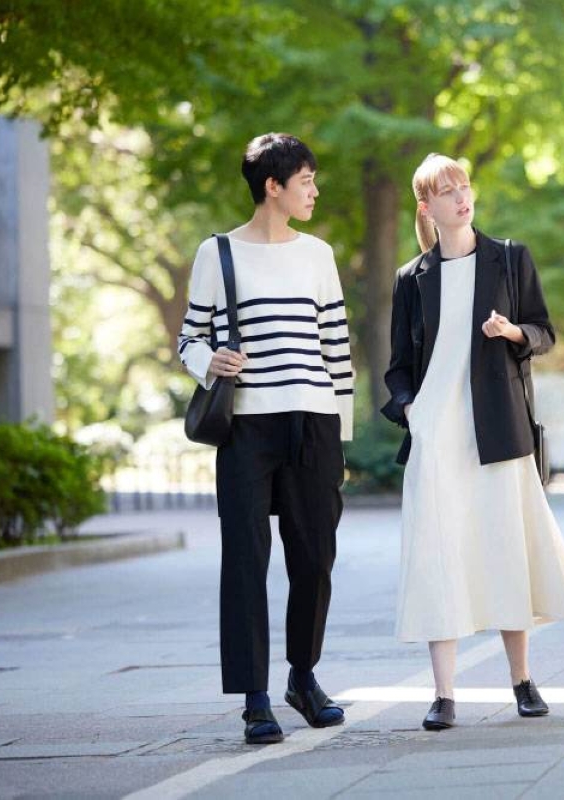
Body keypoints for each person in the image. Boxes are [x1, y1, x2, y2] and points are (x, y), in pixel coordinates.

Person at [381, 153, 564, 731]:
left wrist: (513, 331)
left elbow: (545, 331)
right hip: (436, 436)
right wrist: (410, 410)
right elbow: (398, 367)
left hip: (498, 428)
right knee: (436, 555)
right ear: (428, 207)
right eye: (446, 192)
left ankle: (522, 681)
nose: (460, 197)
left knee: (505, 549)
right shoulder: (410, 278)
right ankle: (444, 695)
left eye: (464, 186)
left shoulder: (509, 258)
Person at [177, 133, 354, 744]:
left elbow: (337, 347)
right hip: (247, 427)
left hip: (314, 423)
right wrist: (210, 362)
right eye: (305, 180)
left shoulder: (319, 254)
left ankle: (302, 677)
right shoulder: (218, 253)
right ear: (272, 187)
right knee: (247, 561)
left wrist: (342, 440)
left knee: (314, 558)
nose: (314, 189)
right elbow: (188, 340)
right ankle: (254, 697)